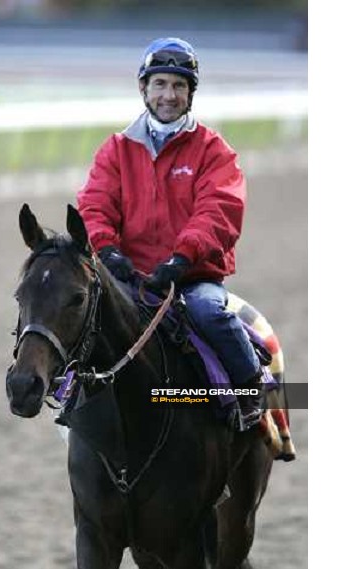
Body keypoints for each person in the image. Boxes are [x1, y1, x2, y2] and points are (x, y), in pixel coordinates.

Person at [77, 37, 265, 431]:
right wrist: (107, 250)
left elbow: (220, 211)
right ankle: (71, 403)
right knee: (81, 315)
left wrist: (180, 259)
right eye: (160, 84)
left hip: (191, 279)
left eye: (179, 86)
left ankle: (253, 393)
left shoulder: (214, 150)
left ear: (190, 93)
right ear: (143, 88)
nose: (169, 95)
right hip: (129, 278)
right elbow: (94, 205)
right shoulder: (115, 150)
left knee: (208, 312)